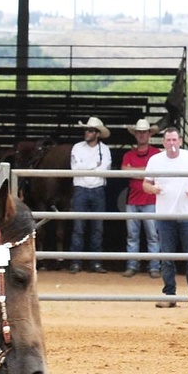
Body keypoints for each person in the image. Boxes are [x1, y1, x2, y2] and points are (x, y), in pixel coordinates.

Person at [143, 126, 188, 308]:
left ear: (179, 141)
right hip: (165, 215)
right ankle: (169, 294)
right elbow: (145, 184)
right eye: (168, 140)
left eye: (174, 140)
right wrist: (153, 189)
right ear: (164, 142)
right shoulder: (155, 160)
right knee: (167, 257)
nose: (171, 143)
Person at [68, 116, 111, 274]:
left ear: (97, 133)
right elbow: (75, 168)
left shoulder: (104, 149)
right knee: (79, 227)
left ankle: (95, 262)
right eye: (87, 129)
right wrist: (94, 166)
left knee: (97, 228)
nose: (87, 132)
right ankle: (76, 262)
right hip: (81, 189)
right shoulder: (77, 147)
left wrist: (85, 168)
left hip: (97, 189)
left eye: (91, 130)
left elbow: (105, 169)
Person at [120, 118, 161, 278]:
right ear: (136, 134)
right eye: (139, 132)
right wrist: (146, 172)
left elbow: (130, 171)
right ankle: (140, 266)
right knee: (134, 235)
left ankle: (152, 266)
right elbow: (124, 170)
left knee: (152, 235)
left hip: (149, 200)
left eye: (144, 132)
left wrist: (134, 171)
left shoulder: (156, 154)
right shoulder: (153, 155)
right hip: (134, 200)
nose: (142, 135)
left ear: (149, 134)